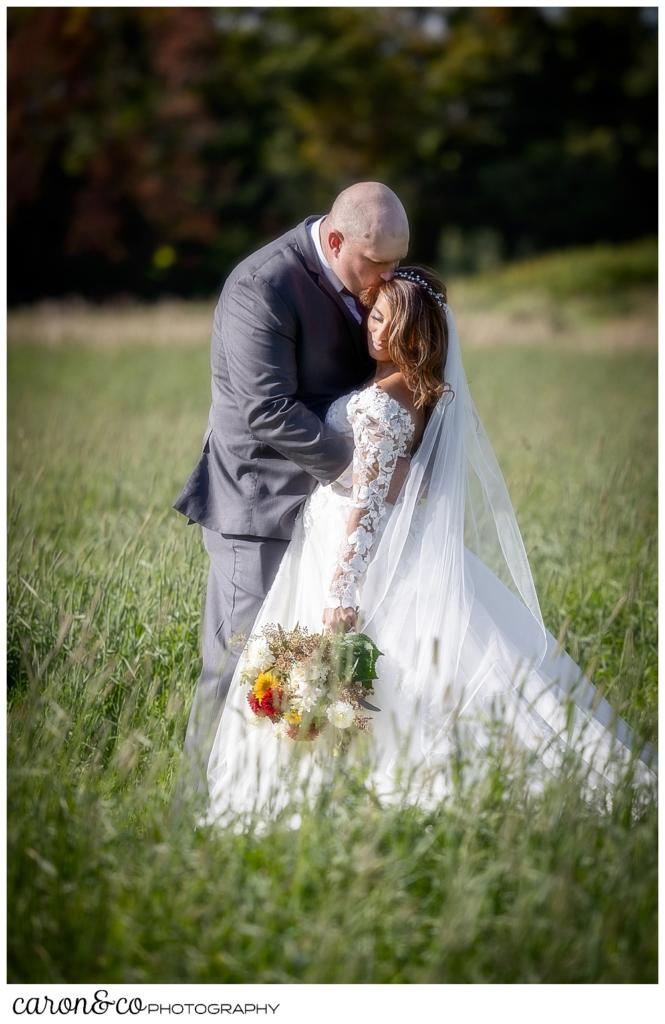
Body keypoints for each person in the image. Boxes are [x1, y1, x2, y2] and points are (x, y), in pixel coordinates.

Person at [204, 266, 657, 829]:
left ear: (414, 334)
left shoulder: (381, 403)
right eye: (373, 315)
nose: (374, 329)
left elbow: (370, 502)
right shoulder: (417, 392)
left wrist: (341, 590)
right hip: (372, 543)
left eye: (388, 322)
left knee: (384, 673)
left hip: (351, 552)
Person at [173, 182, 410, 806]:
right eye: (376, 264)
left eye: (396, 264)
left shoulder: (367, 274)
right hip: (257, 506)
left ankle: (293, 806)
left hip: (333, 517)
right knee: (238, 669)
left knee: (321, 672)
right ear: (335, 241)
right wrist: (361, 470)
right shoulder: (263, 286)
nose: (388, 279)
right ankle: (195, 811)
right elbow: (266, 407)